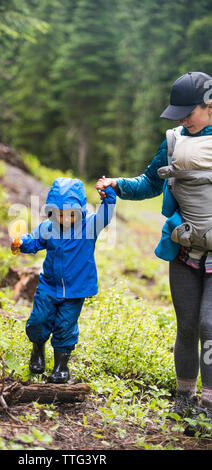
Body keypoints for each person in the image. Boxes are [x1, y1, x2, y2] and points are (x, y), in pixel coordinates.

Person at [96, 71, 212, 430]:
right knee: (187, 325)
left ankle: (208, 403)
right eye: (176, 112)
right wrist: (118, 184)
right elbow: (149, 182)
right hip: (184, 247)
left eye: (187, 111)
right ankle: (183, 398)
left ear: (209, 106)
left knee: (210, 324)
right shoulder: (174, 140)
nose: (181, 119)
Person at [11, 176, 116, 383]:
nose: (62, 219)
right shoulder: (48, 227)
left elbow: (106, 214)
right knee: (38, 320)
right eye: (57, 214)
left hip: (76, 290)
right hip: (49, 285)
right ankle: (37, 349)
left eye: (69, 214)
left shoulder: (90, 226)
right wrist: (21, 243)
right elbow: (34, 241)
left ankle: (61, 366)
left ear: (79, 210)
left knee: (65, 326)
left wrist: (108, 194)